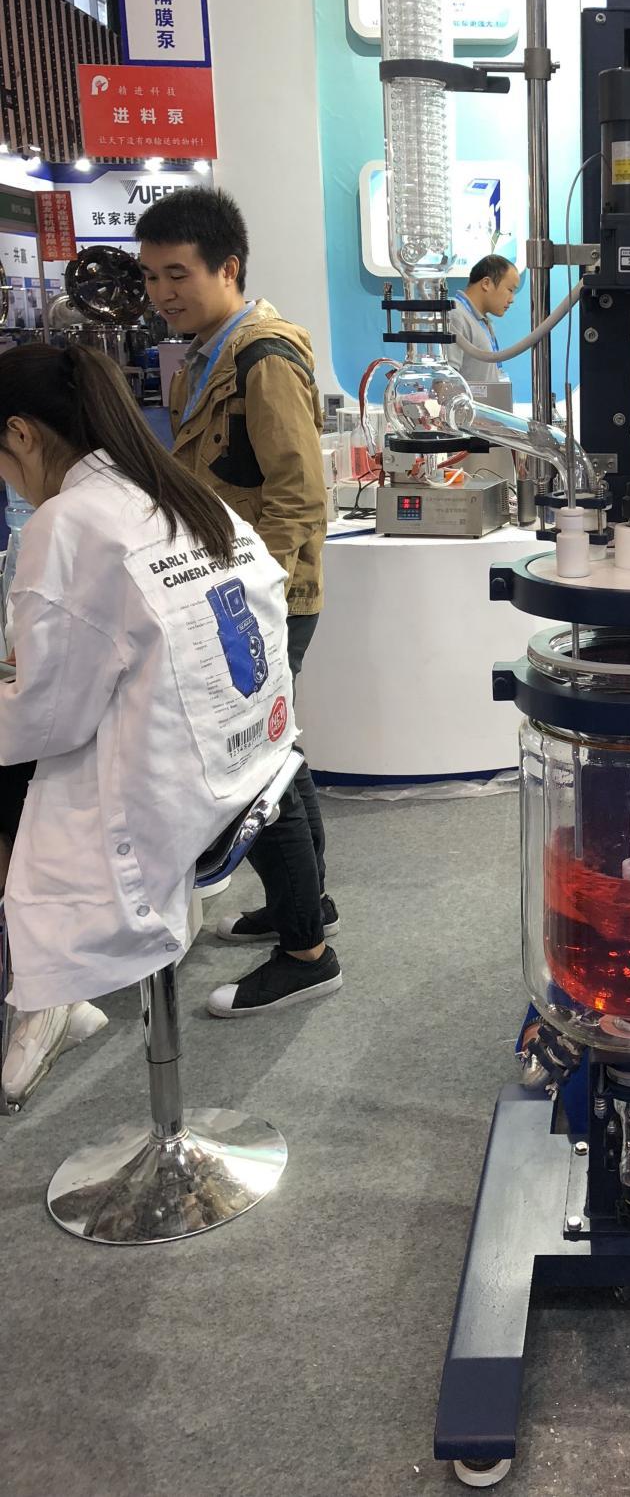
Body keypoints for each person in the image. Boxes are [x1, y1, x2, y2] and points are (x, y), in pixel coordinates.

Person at [0, 344, 341, 1102]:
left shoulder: (68, 522)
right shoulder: (180, 494)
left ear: (21, 433)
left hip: (177, 797)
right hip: (253, 765)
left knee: (11, 787)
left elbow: (44, 721)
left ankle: (42, 990)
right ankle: (45, 986)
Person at [134, 190, 339, 957]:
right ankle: (304, 908)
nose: (161, 293)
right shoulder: (205, 354)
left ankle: (305, 953)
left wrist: (261, 597)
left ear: (227, 269)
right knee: (279, 754)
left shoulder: (262, 357)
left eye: (176, 274)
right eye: (151, 276)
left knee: (253, 762)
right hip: (233, 589)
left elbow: (300, 495)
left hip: (261, 595)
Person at [445, 254, 521, 386]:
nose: (512, 299)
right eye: (510, 290)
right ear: (486, 283)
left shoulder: (481, 320)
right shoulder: (455, 314)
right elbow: (446, 381)